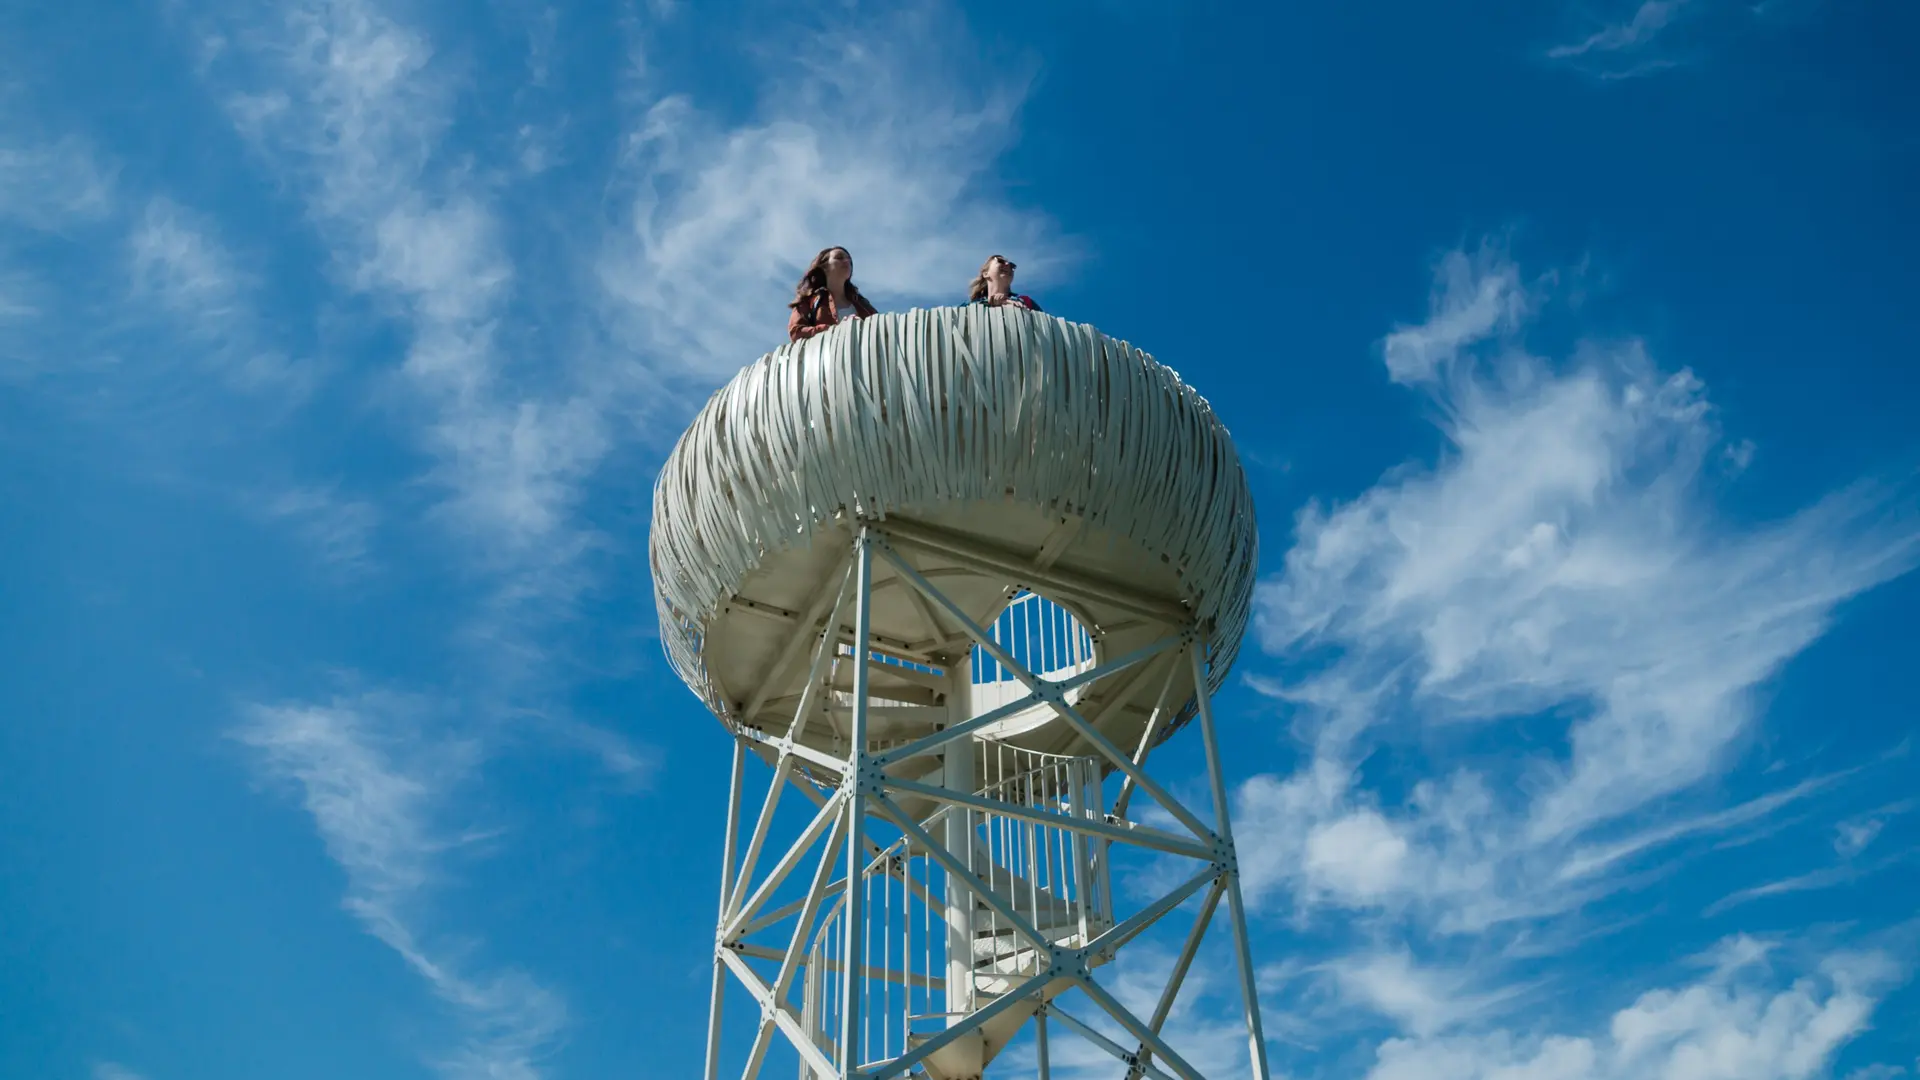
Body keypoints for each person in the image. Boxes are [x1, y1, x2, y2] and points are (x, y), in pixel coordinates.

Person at [787, 246, 879, 341]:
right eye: (839, 257)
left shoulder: (861, 303)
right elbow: (796, 332)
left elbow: (881, 329)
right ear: (825, 267)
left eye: (849, 260)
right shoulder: (810, 301)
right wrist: (833, 330)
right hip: (828, 354)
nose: (846, 261)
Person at [967, 255, 1043, 312]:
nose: (1007, 265)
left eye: (1012, 265)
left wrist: (1021, 310)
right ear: (985, 274)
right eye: (1001, 261)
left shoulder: (1026, 301)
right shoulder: (969, 307)